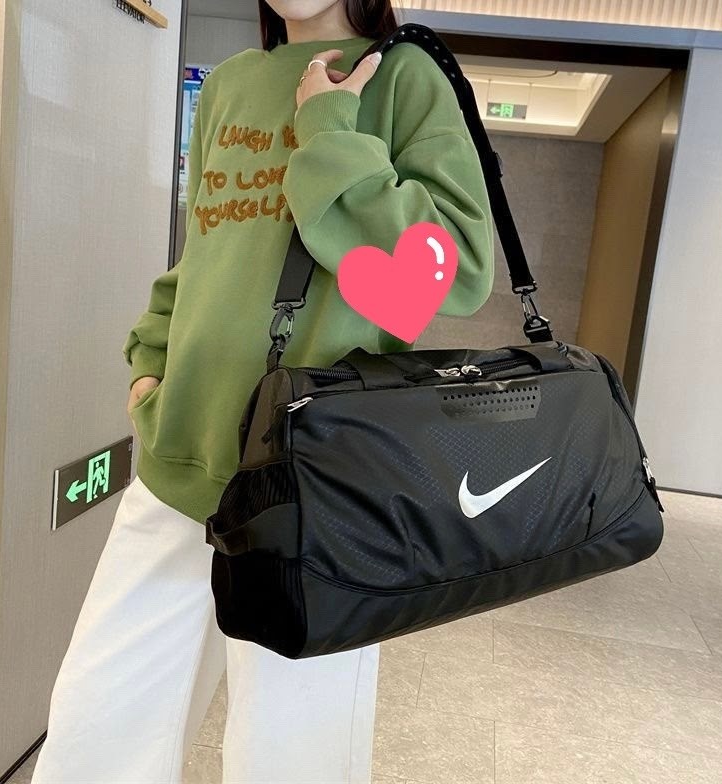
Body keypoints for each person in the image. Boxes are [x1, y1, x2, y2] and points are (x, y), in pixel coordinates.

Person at [31, 0, 495, 781]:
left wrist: (331, 131)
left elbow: (453, 274)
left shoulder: (404, 76)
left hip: (319, 482)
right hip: (182, 452)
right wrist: (150, 358)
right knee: (97, 719)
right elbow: (206, 247)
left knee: (289, 751)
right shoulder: (230, 83)